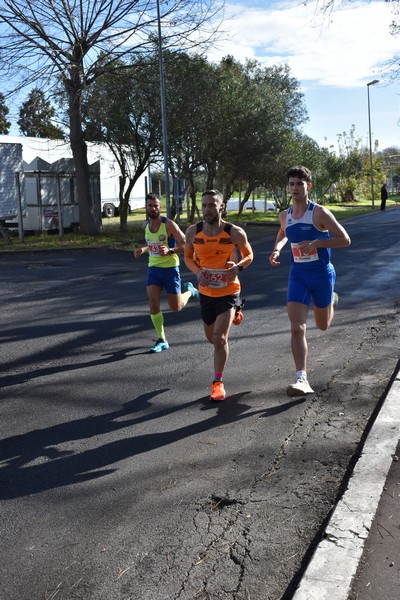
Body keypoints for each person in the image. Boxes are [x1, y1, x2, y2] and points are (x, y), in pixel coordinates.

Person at [269, 166, 351, 397]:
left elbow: (344, 239)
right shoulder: (284, 215)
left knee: (323, 325)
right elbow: (284, 232)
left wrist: (316, 244)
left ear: (308, 186)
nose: (295, 188)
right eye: (291, 183)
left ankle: (330, 301)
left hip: (322, 274)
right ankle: (301, 378)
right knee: (297, 328)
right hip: (298, 275)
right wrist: (276, 249)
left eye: (299, 184)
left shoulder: (319, 213)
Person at [184, 189, 254, 401]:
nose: (207, 209)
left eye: (212, 205)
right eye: (204, 205)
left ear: (221, 206)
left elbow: (249, 255)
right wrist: (198, 273)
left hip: (229, 290)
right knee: (211, 339)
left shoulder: (234, 232)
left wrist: (237, 268)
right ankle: (237, 311)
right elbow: (187, 257)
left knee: (219, 338)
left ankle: (217, 383)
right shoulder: (192, 232)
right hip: (206, 292)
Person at [134, 192, 199, 353]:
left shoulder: (168, 224)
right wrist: (143, 249)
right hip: (153, 268)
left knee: (176, 307)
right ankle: (162, 339)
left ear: (160, 207)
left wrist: (170, 250)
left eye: (156, 206)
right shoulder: (146, 225)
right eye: (150, 206)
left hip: (170, 269)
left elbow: (185, 243)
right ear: (146, 207)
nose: (153, 208)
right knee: (153, 303)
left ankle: (190, 291)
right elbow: (152, 244)